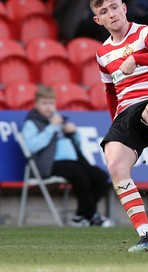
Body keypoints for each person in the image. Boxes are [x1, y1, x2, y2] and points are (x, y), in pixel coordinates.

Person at [90, 0, 148, 252]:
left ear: (124, 7)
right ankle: (147, 237)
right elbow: (109, 92)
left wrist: (136, 58)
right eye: (104, 12)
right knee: (115, 166)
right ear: (99, 20)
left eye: (114, 7)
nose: (111, 14)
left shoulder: (144, 33)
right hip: (125, 114)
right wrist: (114, 125)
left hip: (147, 101)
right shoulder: (102, 54)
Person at [21, 85, 114, 227]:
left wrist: (74, 133)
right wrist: (51, 128)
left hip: (72, 161)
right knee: (78, 174)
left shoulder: (59, 120)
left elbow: (76, 145)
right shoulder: (31, 123)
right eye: (44, 103)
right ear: (36, 104)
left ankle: (80, 216)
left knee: (101, 177)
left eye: (51, 103)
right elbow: (32, 146)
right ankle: (93, 216)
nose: (48, 107)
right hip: (51, 163)